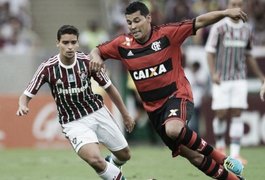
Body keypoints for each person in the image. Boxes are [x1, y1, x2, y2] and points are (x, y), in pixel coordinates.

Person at [89, 1, 254, 179]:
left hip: (177, 96)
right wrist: (95, 58)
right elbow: (96, 51)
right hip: (155, 112)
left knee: (174, 129)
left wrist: (225, 13)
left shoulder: (167, 34)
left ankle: (221, 157)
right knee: (195, 157)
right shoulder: (123, 44)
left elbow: (198, 21)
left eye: (137, 21)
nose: (133, 26)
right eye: (129, 23)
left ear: (148, 18)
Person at [16, 25, 135, 180]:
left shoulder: (87, 62)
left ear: (78, 43)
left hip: (97, 112)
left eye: (73, 42)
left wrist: (125, 115)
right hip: (73, 122)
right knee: (95, 160)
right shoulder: (47, 68)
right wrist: (23, 105)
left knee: (124, 155)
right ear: (57, 43)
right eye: (65, 43)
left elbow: (109, 87)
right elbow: (26, 94)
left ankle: (111, 163)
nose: (70, 47)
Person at [205, 0, 265, 165]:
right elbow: (209, 51)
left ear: (244, 6)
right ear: (228, 6)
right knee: (222, 113)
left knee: (237, 113)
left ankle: (235, 154)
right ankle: (220, 148)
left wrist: (261, 77)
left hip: (239, 78)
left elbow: (249, 54)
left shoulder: (247, 28)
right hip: (221, 77)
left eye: (239, 4)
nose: (236, 7)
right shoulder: (219, 27)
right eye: (233, 4)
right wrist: (212, 74)